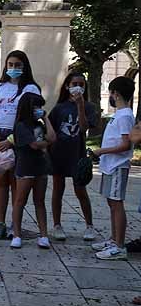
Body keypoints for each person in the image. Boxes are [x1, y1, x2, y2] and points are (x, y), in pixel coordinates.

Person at [0, 50, 42, 239]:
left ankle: (14, 224)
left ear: (24, 66)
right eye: (10, 64)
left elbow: (33, 118)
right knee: (2, 180)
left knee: (17, 182)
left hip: (20, 138)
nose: (14, 68)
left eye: (18, 65)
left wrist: (13, 140)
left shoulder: (31, 89)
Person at [48, 72, 99, 241]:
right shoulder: (59, 108)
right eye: (74, 83)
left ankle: (90, 226)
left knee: (80, 190)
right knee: (58, 189)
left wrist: (80, 106)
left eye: (81, 84)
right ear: (67, 86)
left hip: (77, 154)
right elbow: (50, 130)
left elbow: (84, 127)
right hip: (59, 153)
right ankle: (57, 225)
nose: (78, 87)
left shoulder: (90, 107)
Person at [92, 76, 135, 260]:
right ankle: (113, 238)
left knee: (117, 204)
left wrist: (102, 151)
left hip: (118, 165)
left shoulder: (125, 116)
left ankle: (119, 245)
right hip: (110, 166)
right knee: (112, 202)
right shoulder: (119, 114)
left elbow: (126, 145)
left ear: (115, 93)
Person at [10, 93, 56, 249]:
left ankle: (43, 235)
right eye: (36, 107)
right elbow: (34, 145)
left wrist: (46, 119)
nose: (39, 110)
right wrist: (46, 143)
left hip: (41, 167)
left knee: (40, 201)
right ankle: (16, 234)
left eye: (41, 107)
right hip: (25, 167)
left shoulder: (40, 124)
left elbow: (52, 137)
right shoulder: (21, 126)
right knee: (20, 201)